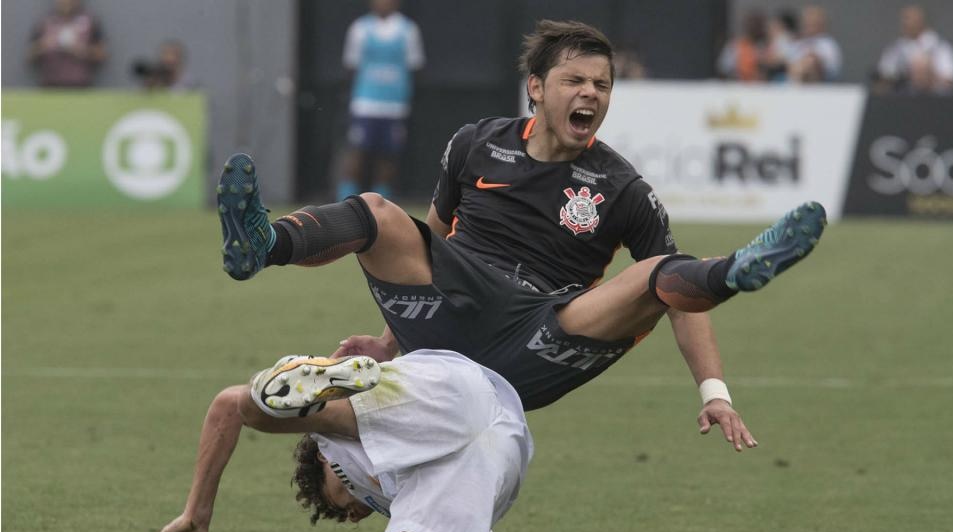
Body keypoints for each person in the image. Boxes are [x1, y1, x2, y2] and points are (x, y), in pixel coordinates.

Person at [215, 20, 828, 451]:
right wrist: (388, 341)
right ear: (536, 87)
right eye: (575, 81)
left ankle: (735, 271)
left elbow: (674, 304)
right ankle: (264, 245)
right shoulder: (475, 142)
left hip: (536, 334)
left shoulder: (623, 188)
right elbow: (432, 239)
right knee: (376, 210)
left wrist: (714, 392)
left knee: (652, 275)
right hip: (450, 306)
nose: (591, 93)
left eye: (603, 85)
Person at [144, 349, 530, 532]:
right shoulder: (415, 498)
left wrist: (196, 516)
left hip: (489, 439)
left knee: (343, 432)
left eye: (345, 493)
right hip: (474, 402)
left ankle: (315, 403)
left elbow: (227, 406)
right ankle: (311, 396)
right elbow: (228, 406)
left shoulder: (336, 449)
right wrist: (196, 515)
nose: (358, 514)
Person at [336, 0, 426, 201]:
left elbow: (415, 66)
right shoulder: (360, 28)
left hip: (395, 106)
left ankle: (380, 202)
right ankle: (345, 200)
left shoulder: (408, 30)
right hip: (365, 104)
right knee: (356, 152)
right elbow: (351, 65)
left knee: (388, 156)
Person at [874, 5, 953, 94]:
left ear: (922, 21)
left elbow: (951, 79)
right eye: (904, 19)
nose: (906, 23)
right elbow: (884, 75)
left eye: (909, 19)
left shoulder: (939, 47)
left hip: (935, 100)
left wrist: (929, 75)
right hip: (904, 98)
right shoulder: (896, 48)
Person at [27, 0, 107, 88]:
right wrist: (44, 45)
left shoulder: (90, 22)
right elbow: (29, 54)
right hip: (50, 86)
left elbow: (102, 54)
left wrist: (82, 50)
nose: (66, 2)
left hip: (80, 86)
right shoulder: (44, 22)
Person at [787, 5, 842, 83]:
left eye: (813, 24)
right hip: (795, 81)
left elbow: (832, 68)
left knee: (810, 61)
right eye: (807, 23)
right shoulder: (797, 43)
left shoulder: (828, 44)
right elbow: (789, 63)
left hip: (821, 82)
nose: (809, 27)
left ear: (821, 25)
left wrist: (813, 60)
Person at [717, 9, 767, 82]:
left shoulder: (765, 46)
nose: (755, 28)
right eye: (752, 25)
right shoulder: (734, 45)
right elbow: (723, 68)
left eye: (758, 25)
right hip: (738, 86)